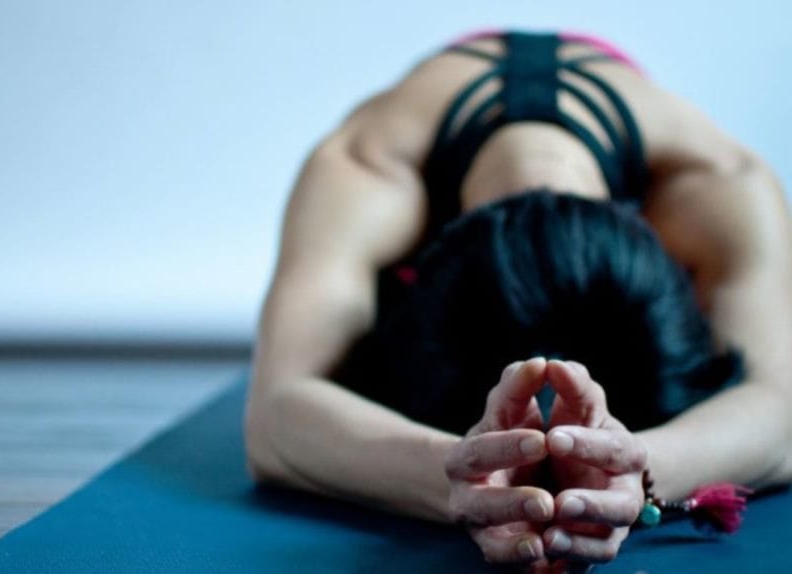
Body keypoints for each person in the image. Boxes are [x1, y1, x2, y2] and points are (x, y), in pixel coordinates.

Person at [243, 29, 792, 571]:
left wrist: (634, 469)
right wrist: (458, 474)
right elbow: (275, 415)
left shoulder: (721, 187)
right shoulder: (365, 171)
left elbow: (783, 409)